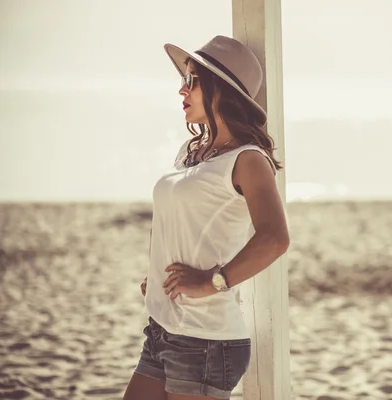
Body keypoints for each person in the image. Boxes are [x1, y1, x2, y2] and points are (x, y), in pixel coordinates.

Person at [123, 35, 290, 400]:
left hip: (205, 341)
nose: (182, 89)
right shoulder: (190, 152)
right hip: (162, 329)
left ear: (221, 90)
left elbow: (275, 238)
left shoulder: (248, 159)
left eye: (192, 80)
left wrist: (212, 282)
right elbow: (175, 215)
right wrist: (154, 274)